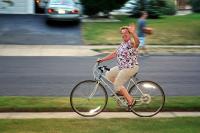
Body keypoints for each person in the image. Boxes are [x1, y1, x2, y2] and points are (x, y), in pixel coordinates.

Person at [97, 24, 140, 110]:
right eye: (122, 33)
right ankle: (121, 92)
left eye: (126, 33)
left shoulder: (130, 43)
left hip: (130, 67)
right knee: (109, 74)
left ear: (129, 34)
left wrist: (133, 33)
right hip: (122, 67)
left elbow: (137, 43)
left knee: (117, 85)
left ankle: (131, 101)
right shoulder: (122, 44)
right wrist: (102, 60)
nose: (124, 35)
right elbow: (114, 54)